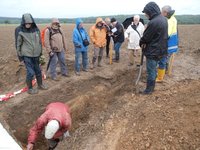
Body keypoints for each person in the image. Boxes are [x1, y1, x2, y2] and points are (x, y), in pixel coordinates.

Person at [139, 2, 168, 94]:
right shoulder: (163, 19)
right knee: (154, 69)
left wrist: (141, 42)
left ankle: (149, 90)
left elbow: (146, 38)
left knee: (151, 71)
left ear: (151, 11)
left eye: (146, 12)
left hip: (153, 51)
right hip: (161, 49)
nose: (145, 14)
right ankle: (152, 85)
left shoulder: (153, 22)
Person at [15, 13, 48, 94]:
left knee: (38, 71)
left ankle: (40, 85)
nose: (28, 25)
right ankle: (30, 89)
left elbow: (40, 42)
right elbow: (18, 45)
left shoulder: (36, 30)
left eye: (29, 23)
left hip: (36, 55)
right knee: (31, 72)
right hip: (27, 55)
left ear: (32, 22)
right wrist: (20, 57)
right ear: (23, 22)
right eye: (26, 23)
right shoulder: (20, 31)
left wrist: (40, 53)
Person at [156, 5, 179, 82]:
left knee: (163, 59)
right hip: (171, 43)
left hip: (168, 44)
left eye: (162, 12)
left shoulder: (170, 21)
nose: (161, 13)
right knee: (165, 59)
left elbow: (166, 34)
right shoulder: (173, 19)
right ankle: (165, 72)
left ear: (165, 12)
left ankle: (160, 77)